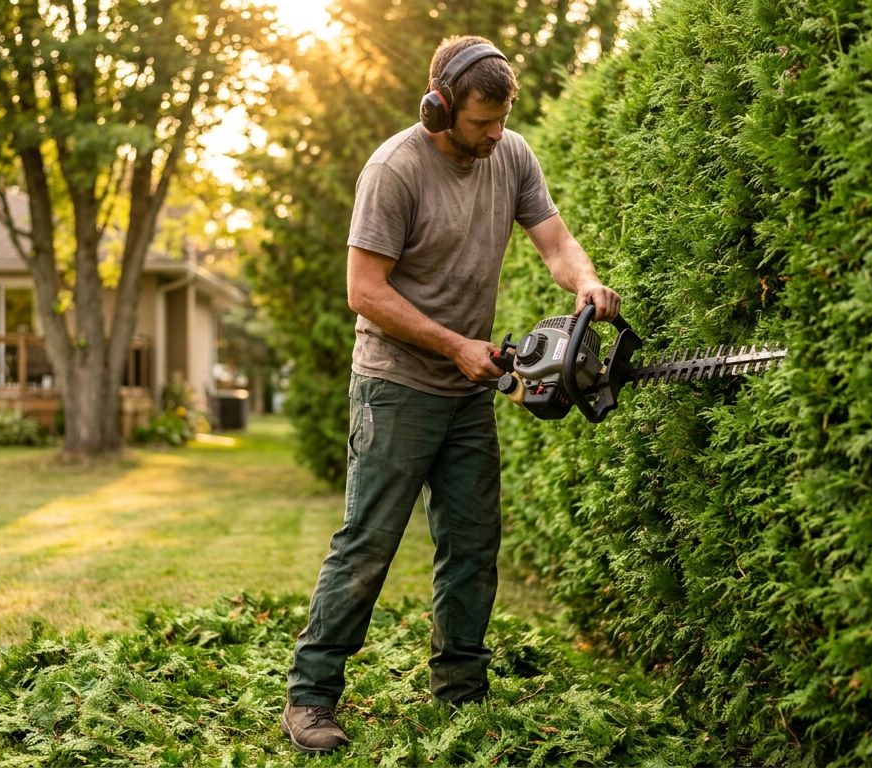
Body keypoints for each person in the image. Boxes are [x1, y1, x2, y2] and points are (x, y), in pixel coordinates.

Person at [280, 34, 622, 754]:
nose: (495, 135)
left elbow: (555, 242)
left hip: (468, 390)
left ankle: (461, 692)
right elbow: (363, 291)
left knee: (471, 541)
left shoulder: (512, 154)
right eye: (481, 122)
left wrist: (586, 281)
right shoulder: (395, 169)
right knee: (368, 542)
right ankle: (310, 697)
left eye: (502, 120)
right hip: (394, 386)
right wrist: (455, 345)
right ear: (438, 108)